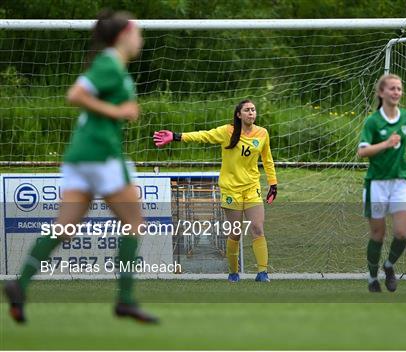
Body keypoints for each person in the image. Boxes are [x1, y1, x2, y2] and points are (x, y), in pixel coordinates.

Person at [4, 10, 158, 323]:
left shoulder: (110, 64)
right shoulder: (110, 64)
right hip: (101, 154)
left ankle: (19, 286)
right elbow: (75, 94)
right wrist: (117, 112)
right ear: (124, 35)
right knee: (134, 223)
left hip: (79, 156)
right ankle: (125, 300)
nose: (141, 38)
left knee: (65, 228)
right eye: (138, 32)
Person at [153, 99, 277, 282]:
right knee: (235, 232)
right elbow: (203, 135)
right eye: (247, 110)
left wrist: (273, 184)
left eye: (253, 110)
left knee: (258, 228)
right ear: (239, 114)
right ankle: (233, 273)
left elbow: (267, 160)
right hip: (230, 189)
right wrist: (177, 136)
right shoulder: (227, 131)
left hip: (252, 188)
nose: (251, 113)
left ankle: (262, 272)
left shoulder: (262, 133)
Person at [357, 74, 406, 292]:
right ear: (381, 93)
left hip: (401, 182)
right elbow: (362, 151)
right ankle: (373, 278)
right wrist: (386, 143)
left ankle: (389, 265)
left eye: (399, 89)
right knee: (378, 235)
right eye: (392, 89)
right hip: (377, 184)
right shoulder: (373, 121)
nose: (396, 92)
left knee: (402, 233)